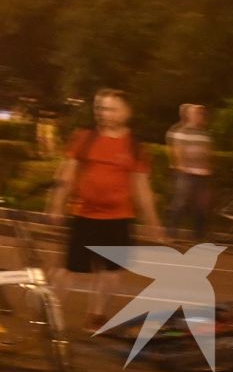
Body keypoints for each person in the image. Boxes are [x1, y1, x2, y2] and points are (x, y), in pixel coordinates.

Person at [50, 89, 162, 333]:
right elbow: (66, 173)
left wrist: (154, 224)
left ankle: (96, 316)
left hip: (118, 218)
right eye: (101, 108)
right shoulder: (84, 138)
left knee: (111, 273)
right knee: (68, 270)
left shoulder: (134, 147)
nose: (104, 113)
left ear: (126, 111)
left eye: (111, 108)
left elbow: (142, 187)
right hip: (83, 215)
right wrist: (57, 203)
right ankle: (49, 314)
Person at [166, 103, 214, 242]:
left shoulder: (204, 132)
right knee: (180, 203)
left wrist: (208, 167)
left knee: (201, 206)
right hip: (186, 173)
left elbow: (208, 151)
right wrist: (181, 167)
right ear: (189, 115)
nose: (200, 116)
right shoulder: (182, 131)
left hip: (202, 174)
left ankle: (199, 235)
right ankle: (171, 233)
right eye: (196, 113)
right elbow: (177, 149)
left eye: (201, 113)